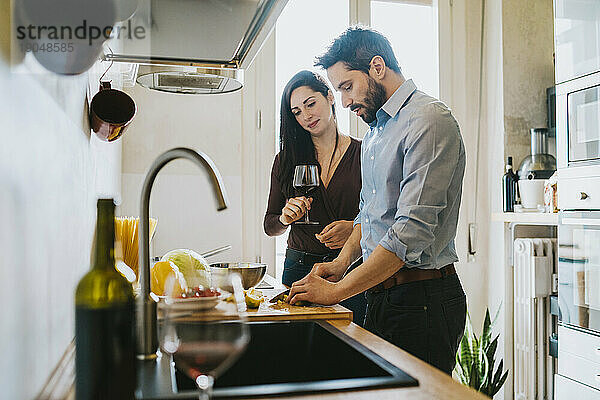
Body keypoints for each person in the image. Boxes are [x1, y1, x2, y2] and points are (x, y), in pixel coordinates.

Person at [287, 27, 467, 375]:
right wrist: (341, 264)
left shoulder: (429, 120)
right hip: (382, 297)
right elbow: (368, 216)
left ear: (377, 67)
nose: (344, 101)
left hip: (424, 301)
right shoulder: (374, 134)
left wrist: (335, 291)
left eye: (347, 86)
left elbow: (408, 234)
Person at [264, 70, 366, 325]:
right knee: (302, 352)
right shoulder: (285, 160)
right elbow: (270, 226)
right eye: (297, 112)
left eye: (311, 104)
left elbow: (381, 215)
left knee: (352, 349)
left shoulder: (365, 153)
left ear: (330, 97)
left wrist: (354, 228)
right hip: (300, 267)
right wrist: (285, 218)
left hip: (351, 269)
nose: (306, 116)